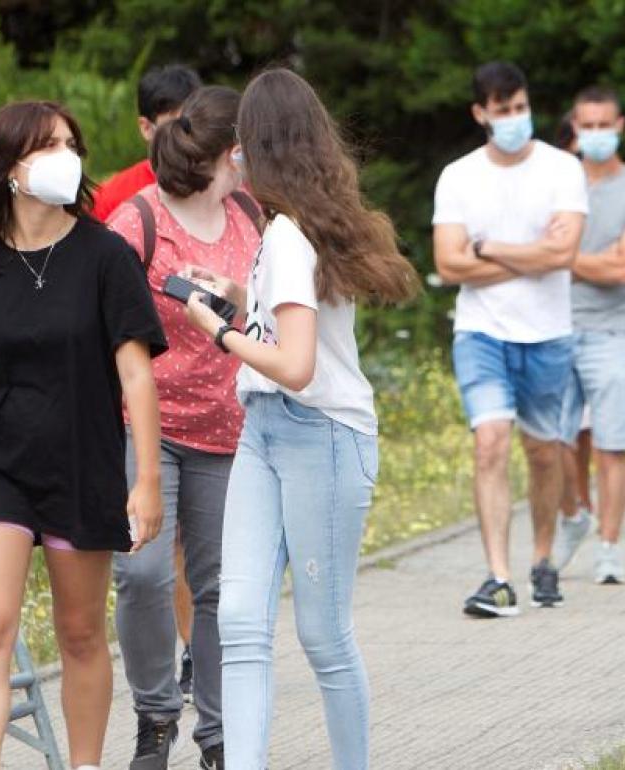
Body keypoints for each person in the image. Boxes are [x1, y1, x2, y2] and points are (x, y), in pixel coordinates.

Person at [0, 101, 167, 770]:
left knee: (81, 632)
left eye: (70, 144)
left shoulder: (106, 255)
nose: (66, 156)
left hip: (81, 459)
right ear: (9, 168)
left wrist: (145, 479)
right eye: (46, 146)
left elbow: (137, 377)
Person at [180, 68, 419, 769]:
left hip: (321, 436)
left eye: (239, 144)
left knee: (322, 634)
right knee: (240, 621)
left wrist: (215, 330)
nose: (234, 158)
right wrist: (234, 295)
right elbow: (292, 321)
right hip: (264, 430)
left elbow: (296, 365)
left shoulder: (288, 234)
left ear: (254, 146)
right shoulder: (297, 226)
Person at [105, 86, 262, 770]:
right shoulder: (137, 222)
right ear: (233, 150)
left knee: (220, 587)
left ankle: (222, 737)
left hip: (229, 432)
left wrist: (237, 298)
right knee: (140, 573)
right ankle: (157, 715)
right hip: (148, 427)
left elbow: (281, 309)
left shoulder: (250, 214)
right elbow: (100, 323)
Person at [432, 61, 588, 617]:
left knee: (544, 452)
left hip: (547, 334)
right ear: (481, 114)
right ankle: (498, 575)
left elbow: (563, 255)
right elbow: (448, 264)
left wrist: (490, 249)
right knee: (491, 441)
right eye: (504, 111)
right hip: (482, 331)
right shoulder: (459, 176)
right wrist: (531, 257)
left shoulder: (562, 169)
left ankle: (543, 557)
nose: (516, 119)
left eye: (521, 108)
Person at [91, 63, 203, 698]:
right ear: (144, 128)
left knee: (193, 544)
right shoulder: (116, 199)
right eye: (170, 128)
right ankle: (158, 673)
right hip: (136, 395)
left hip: (207, 396)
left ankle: (193, 652)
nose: (183, 141)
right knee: (147, 551)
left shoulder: (223, 189)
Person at [550, 86, 625, 585]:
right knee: (553, 442)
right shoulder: (553, 183)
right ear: (574, 127)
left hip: (613, 330)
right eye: (585, 124)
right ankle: (575, 516)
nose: (594, 133)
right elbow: (530, 248)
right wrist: (592, 260)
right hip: (553, 324)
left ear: (620, 126)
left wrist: (559, 259)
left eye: (603, 124)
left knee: (612, 444)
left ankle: (610, 546)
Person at [92, 65, 202, 223]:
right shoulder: (111, 198)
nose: (187, 134)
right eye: (176, 125)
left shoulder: (219, 187)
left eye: (196, 123)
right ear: (146, 128)